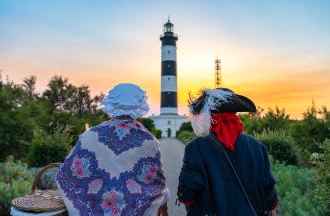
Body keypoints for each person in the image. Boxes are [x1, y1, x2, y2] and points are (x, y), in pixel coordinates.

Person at [56, 83, 169, 216]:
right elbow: (157, 182)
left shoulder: (90, 134)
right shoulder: (149, 140)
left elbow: (66, 173)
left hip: (94, 206)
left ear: (111, 103)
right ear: (140, 104)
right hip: (134, 208)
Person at [177, 88, 279, 216]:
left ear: (209, 115)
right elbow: (268, 189)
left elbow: (187, 192)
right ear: (235, 113)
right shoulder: (257, 146)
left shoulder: (196, 147)